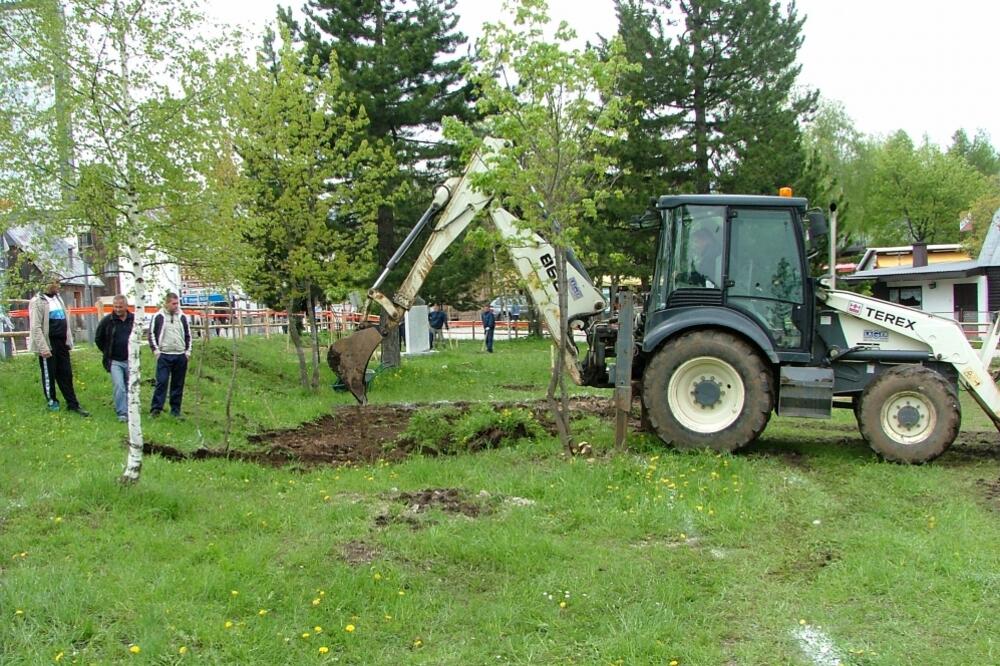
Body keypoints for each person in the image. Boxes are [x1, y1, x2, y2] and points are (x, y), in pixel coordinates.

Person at [28, 275, 90, 416]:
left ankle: (73, 404)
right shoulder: (37, 301)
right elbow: (35, 327)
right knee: (49, 374)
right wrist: (43, 348)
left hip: (62, 343)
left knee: (66, 374)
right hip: (49, 343)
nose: (59, 286)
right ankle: (52, 402)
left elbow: (65, 322)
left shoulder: (58, 299)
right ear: (49, 284)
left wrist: (68, 341)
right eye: (57, 283)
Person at [148, 292, 192, 418]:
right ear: (167, 304)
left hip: (180, 354)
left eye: (177, 303)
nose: (176, 306)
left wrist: (187, 352)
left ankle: (175, 410)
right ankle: (156, 409)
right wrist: (156, 351)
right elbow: (151, 334)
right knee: (161, 382)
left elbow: (188, 335)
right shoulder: (158, 316)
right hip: (164, 355)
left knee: (178, 384)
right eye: (173, 304)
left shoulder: (182, 317)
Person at [95, 294, 134, 422]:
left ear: (126, 306)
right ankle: (122, 413)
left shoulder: (133, 319)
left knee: (130, 386)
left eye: (120, 307)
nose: (117, 309)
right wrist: (107, 352)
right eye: (115, 307)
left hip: (131, 360)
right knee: (119, 386)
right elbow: (98, 338)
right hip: (115, 361)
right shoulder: (107, 320)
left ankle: (131, 410)